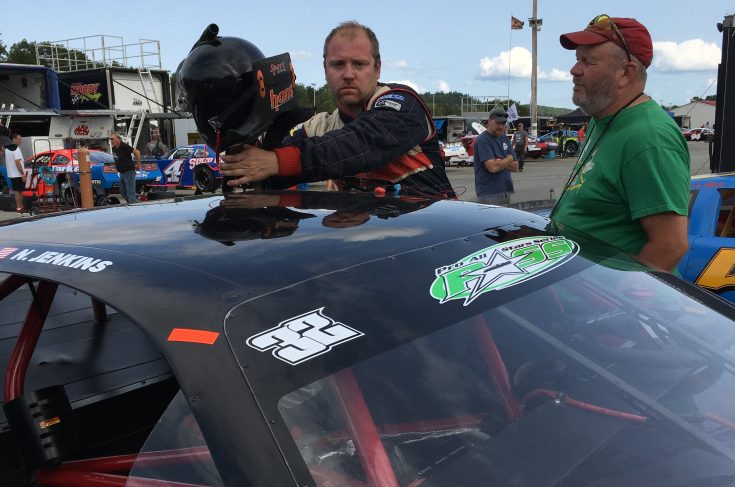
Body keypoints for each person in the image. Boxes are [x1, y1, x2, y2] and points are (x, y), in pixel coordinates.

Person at [218, 21, 455, 198]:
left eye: (359, 64)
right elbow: (272, 168)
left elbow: (362, 143)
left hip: (440, 240)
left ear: (378, 68)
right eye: (338, 64)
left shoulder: (401, 102)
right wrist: (244, 150)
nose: (349, 74)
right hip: (371, 248)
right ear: (325, 70)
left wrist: (274, 161)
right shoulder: (317, 127)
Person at [549, 15, 690, 272]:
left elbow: (670, 245)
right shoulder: (601, 119)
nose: (574, 70)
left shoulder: (649, 137)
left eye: (587, 62)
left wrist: (616, 298)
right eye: (576, 59)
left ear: (626, 72)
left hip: (614, 304)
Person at [473, 107, 518, 206]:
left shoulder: (504, 139)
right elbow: (493, 167)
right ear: (489, 121)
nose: (501, 126)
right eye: (498, 123)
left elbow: (515, 167)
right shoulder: (483, 140)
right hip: (489, 194)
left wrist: (500, 161)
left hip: (506, 191)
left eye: (503, 123)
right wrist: (508, 159)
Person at [109, 133, 142, 204]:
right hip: (122, 172)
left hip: (129, 171)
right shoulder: (114, 148)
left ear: (118, 139)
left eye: (112, 139)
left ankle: (133, 205)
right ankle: (135, 200)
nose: (111, 140)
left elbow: (137, 152)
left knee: (130, 192)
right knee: (123, 192)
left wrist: (138, 164)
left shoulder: (123, 146)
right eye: (110, 139)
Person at [4, 132, 25, 213]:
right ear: (14, 139)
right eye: (19, 139)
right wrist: (23, 174)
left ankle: (19, 207)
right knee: (19, 191)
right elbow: (17, 162)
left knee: (17, 190)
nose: (21, 141)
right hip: (18, 174)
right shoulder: (16, 149)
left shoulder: (7, 149)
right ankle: (20, 208)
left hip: (12, 173)